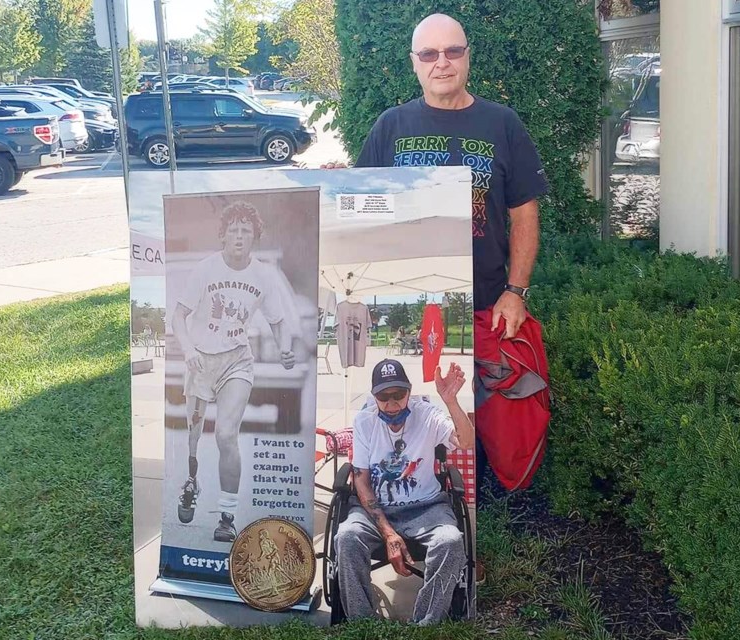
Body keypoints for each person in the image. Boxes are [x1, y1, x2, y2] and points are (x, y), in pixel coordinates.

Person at [325, 12, 548, 339]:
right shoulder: (391, 125)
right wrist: (335, 185)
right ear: (415, 62)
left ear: (467, 56)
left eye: (453, 51)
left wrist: (515, 292)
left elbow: (525, 214)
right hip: (406, 296)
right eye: (429, 54)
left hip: (486, 305)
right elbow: (362, 209)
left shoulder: (503, 124)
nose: (441, 62)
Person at [171, 202, 297, 543]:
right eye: (233, 230)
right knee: (194, 438)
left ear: (254, 236)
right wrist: (189, 350)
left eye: (246, 231)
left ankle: (226, 516)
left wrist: (285, 348)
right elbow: (178, 316)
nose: (239, 236)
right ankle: (192, 482)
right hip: (200, 361)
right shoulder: (205, 269)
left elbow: (278, 321)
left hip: (236, 361)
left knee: (227, 434)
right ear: (223, 235)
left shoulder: (263, 275)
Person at [334, 358, 473, 625]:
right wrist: (388, 532)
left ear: (409, 392)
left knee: (451, 541)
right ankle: (364, 625)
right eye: (384, 396)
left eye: (399, 394)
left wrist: (451, 402)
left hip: (426, 506)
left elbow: (465, 442)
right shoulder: (364, 421)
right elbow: (360, 480)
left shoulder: (427, 415)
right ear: (374, 397)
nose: (392, 402)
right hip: (377, 511)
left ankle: (425, 625)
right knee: (347, 537)